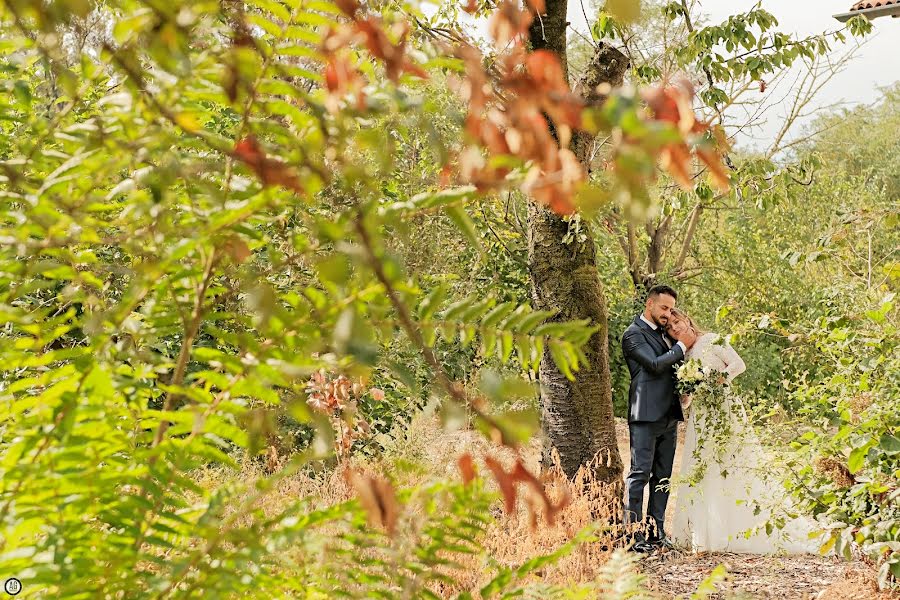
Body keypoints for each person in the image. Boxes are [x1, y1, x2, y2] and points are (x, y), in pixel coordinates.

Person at [665, 309, 822, 553]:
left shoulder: (712, 339)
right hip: (702, 416)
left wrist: (715, 379)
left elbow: (739, 365)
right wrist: (685, 393)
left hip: (725, 408)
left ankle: (738, 527)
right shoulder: (683, 355)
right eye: (669, 327)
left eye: (677, 322)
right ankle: (705, 533)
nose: (674, 328)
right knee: (702, 466)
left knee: (732, 461)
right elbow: (687, 401)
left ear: (687, 319)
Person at [621, 285, 696, 552]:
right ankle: (632, 536)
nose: (667, 314)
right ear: (649, 304)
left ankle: (656, 534)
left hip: (669, 415)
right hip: (645, 414)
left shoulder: (664, 335)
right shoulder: (633, 335)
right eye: (663, 308)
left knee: (663, 478)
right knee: (639, 474)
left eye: (670, 309)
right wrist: (681, 346)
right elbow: (654, 365)